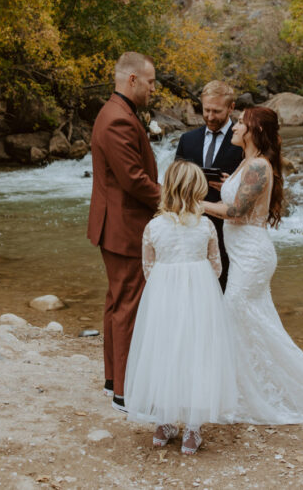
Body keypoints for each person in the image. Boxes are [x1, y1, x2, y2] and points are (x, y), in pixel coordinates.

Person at [202, 106, 303, 425]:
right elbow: (238, 201)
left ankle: (252, 394)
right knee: (251, 321)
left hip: (252, 255)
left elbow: (235, 212)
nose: (233, 129)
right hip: (245, 252)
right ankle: (248, 389)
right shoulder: (249, 163)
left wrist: (192, 202)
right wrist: (219, 190)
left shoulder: (258, 166)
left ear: (253, 131)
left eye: (239, 124)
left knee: (235, 311)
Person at [125, 160, 237, 455]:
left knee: (164, 354)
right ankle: (191, 431)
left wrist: (167, 288)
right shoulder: (207, 226)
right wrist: (196, 286)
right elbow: (216, 267)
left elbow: (148, 268)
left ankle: (163, 426)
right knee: (196, 356)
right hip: (200, 300)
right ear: (198, 189)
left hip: (163, 300)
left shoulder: (153, 227)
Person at [87, 52, 161, 413]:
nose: (152, 89)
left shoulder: (117, 112)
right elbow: (133, 179)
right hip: (125, 225)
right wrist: (174, 199)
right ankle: (125, 391)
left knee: (118, 301)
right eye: (149, 82)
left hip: (115, 223)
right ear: (132, 80)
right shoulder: (118, 119)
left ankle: (112, 380)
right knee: (129, 304)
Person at [174, 80, 245, 291]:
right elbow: (175, 182)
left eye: (217, 111)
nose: (210, 117)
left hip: (229, 231)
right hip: (191, 227)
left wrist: (230, 183)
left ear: (231, 108)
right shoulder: (188, 140)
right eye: (206, 110)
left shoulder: (244, 140)